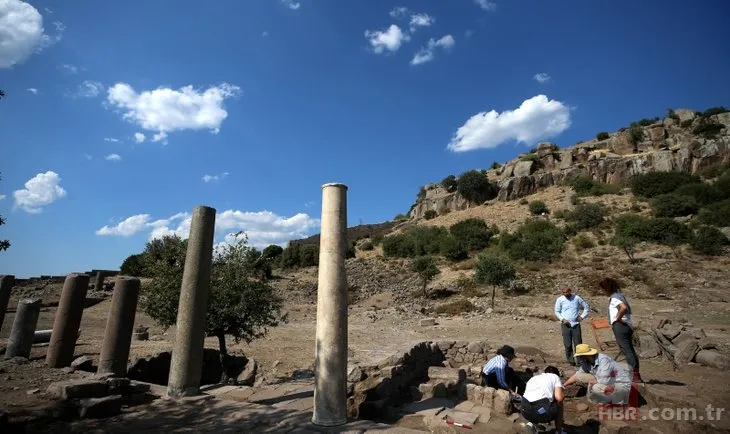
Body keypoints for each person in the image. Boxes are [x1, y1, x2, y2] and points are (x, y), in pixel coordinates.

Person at [598, 277, 643, 383]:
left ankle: (634, 375)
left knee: (627, 350)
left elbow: (623, 308)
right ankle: (635, 374)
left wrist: (617, 318)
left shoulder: (615, 298)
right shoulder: (620, 296)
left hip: (620, 325)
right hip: (625, 325)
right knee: (629, 350)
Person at [563, 344, 632, 404]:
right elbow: (577, 375)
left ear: (586, 355)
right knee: (581, 377)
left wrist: (594, 382)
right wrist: (563, 385)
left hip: (620, 384)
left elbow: (605, 380)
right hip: (604, 380)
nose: (578, 358)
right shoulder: (585, 361)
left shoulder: (603, 360)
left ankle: (618, 402)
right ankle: (606, 398)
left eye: (580, 356)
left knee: (596, 387)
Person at [520, 366, 565, 434]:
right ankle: (559, 432)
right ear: (557, 374)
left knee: (537, 405)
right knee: (559, 405)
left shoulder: (534, 378)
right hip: (541, 410)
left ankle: (531, 423)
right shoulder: (555, 377)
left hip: (524, 410)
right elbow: (559, 398)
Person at [554, 286, 590, 365]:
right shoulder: (560, 299)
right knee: (567, 344)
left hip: (576, 324)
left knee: (578, 343)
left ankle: (580, 361)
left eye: (567, 292)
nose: (566, 294)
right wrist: (562, 319)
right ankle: (571, 361)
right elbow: (557, 311)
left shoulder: (577, 298)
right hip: (565, 325)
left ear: (570, 291)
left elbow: (586, 307)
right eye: (564, 292)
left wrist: (582, 316)